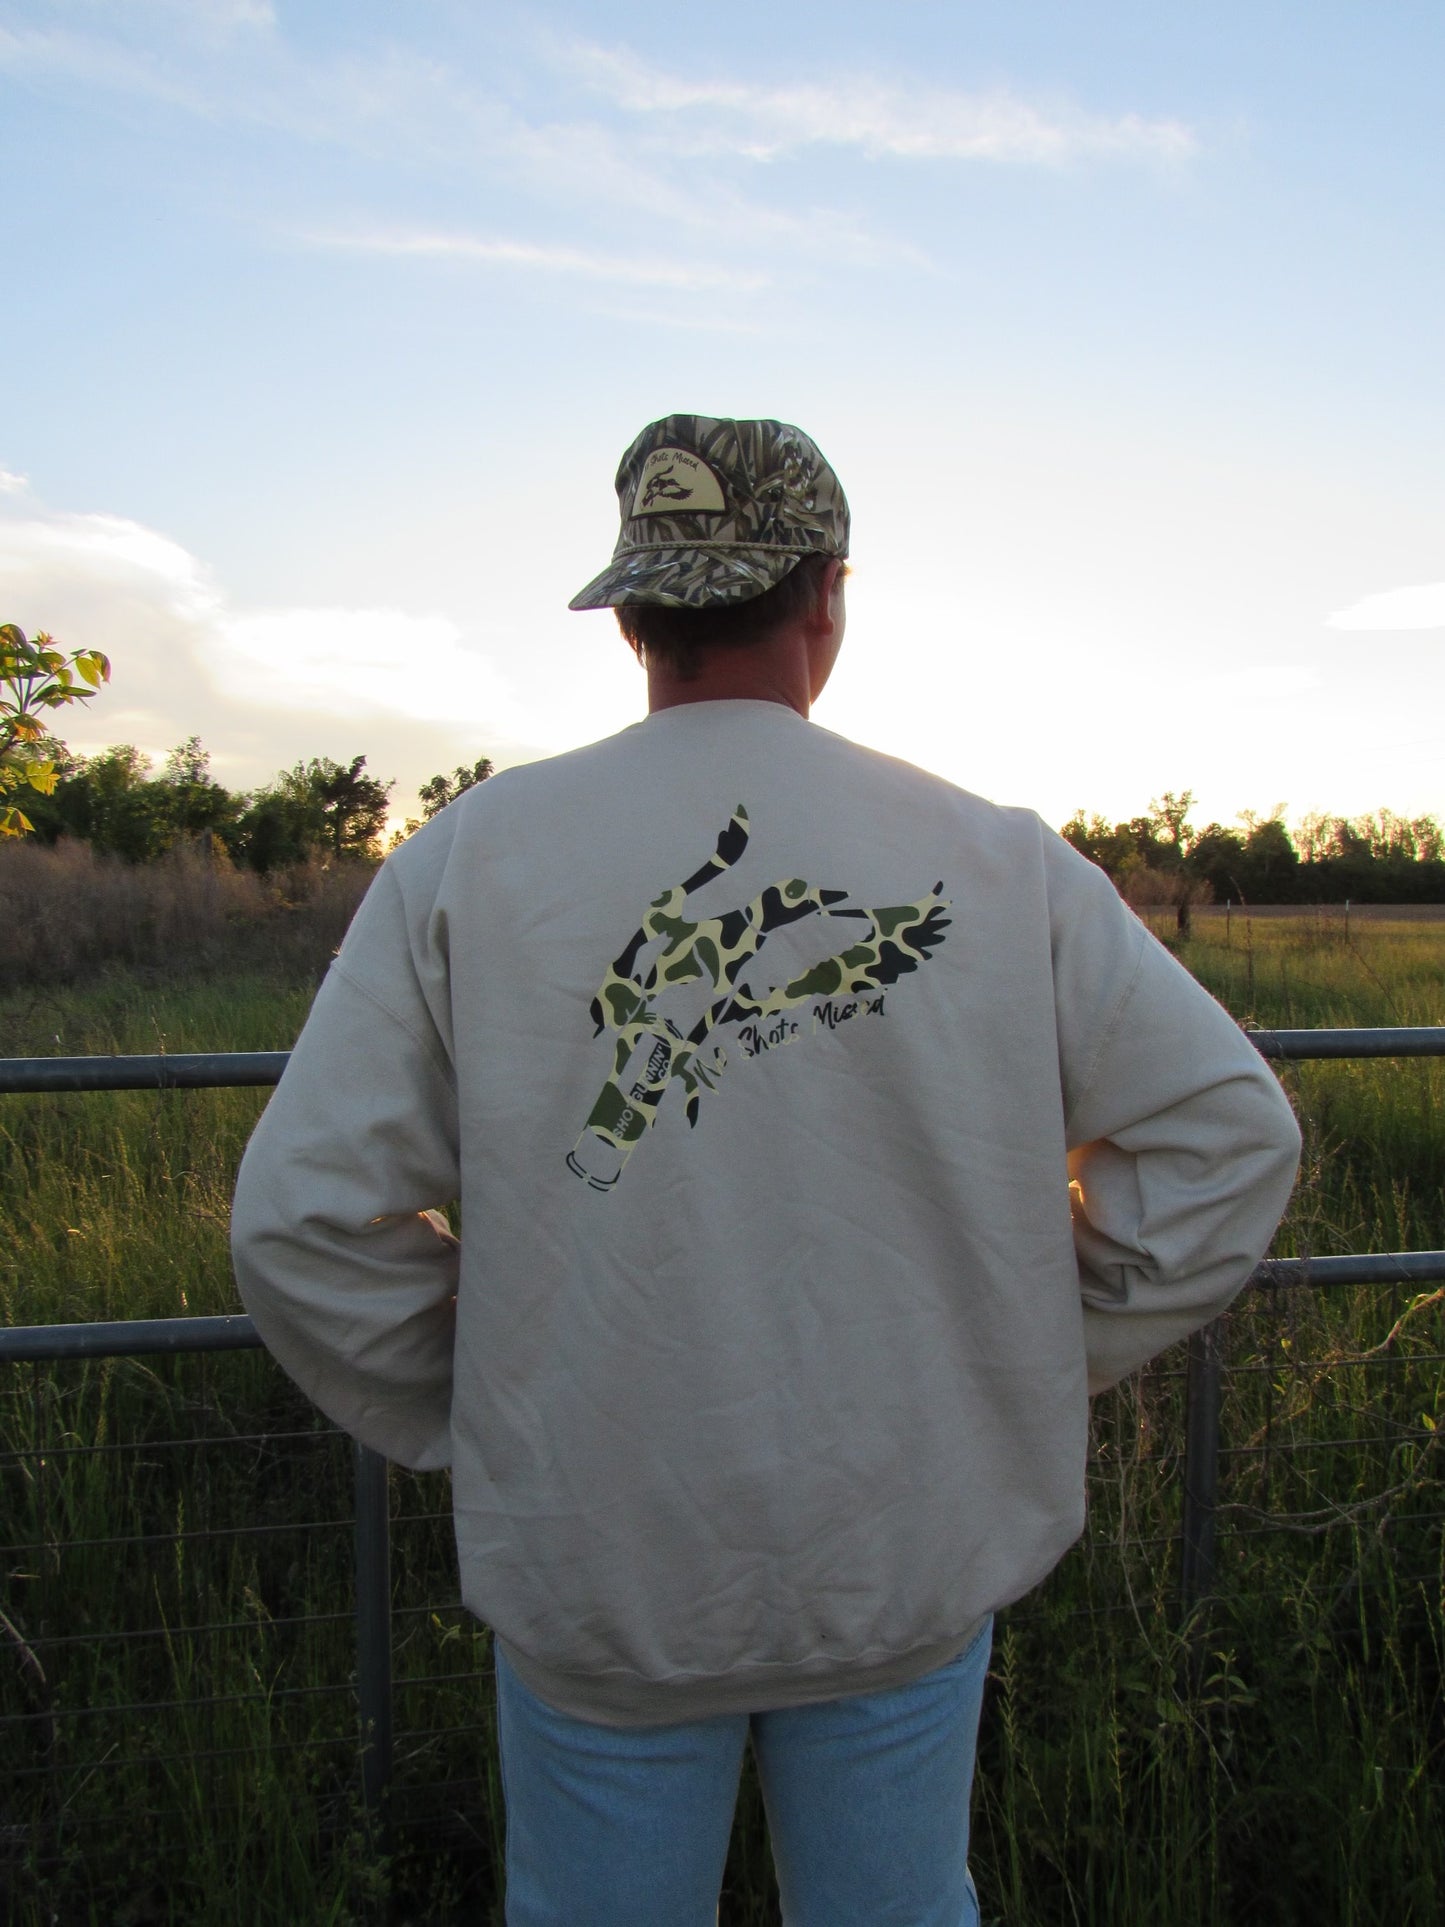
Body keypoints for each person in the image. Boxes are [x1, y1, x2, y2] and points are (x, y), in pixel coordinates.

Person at [231, 414, 1301, 1925]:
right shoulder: (993, 857)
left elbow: (302, 1227)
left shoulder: (476, 856)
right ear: (827, 598)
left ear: (633, 621)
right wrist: (1029, 1350)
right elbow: (1225, 1139)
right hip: (899, 1557)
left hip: (601, 1565)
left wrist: (499, 1408)